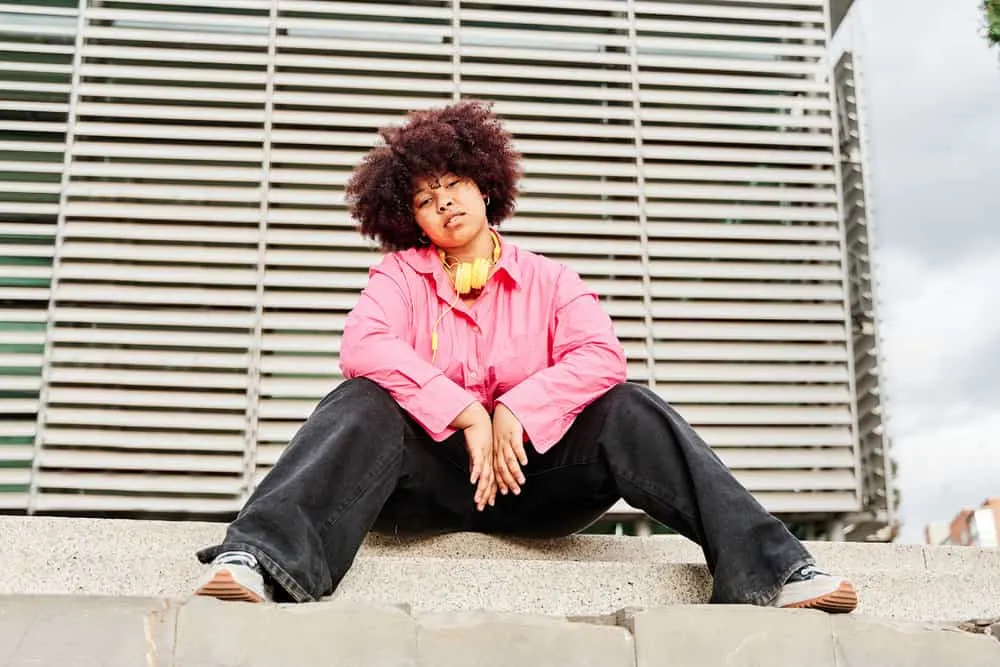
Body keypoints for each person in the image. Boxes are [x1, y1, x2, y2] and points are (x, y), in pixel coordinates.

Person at [194, 100, 858, 613]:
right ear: (411, 220)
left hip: (538, 484)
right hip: (423, 486)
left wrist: (516, 407)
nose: (444, 203)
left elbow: (602, 354)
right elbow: (363, 345)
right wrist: (464, 413)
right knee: (359, 399)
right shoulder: (398, 276)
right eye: (425, 200)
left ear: (486, 186)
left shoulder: (549, 278)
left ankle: (777, 571)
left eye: (454, 183)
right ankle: (258, 558)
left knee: (629, 405)